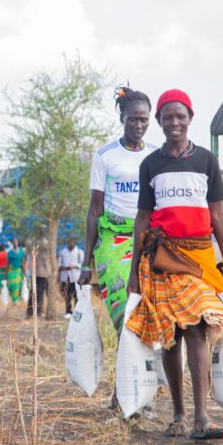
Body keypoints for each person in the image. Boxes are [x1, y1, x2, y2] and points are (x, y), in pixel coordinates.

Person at [126, 89, 223, 439]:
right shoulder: (150, 165)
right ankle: (179, 416)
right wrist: (133, 273)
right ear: (158, 122)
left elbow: (218, 214)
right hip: (162, 259)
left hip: (200, 259)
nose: (174, 122)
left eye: (180, 116)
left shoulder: (206, 160)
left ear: (190, 118)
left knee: (198, 327)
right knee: (171, 336)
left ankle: (202, 417)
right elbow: (142, 219)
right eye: (167, 117)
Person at [78, 86, 156, 334]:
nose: (138, 125)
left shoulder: (156, 156)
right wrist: (85, 262)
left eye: (144, 119)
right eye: (133, 119)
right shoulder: (105, 156)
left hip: (149, 237)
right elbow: (94, 210)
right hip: (114, 238)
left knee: (153, 303)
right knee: (125, 303)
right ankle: (129, 367)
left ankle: (151, 369)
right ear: (122, 118)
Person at [58, 239, 84, 318]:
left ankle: (76, 312)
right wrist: (63, 267)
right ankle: (68, 311)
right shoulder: (63, 252)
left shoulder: (79, 252)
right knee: (67, 295)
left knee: (76, 295)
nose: (70, 244)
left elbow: (83, 264)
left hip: (76, 277)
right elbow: (59, 263)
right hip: (66, 277)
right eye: (69, 243)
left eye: (72, 243)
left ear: (75, 243)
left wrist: (75, 266)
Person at [27, 238, 51, 317]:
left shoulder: (34, 251)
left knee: (33, 292)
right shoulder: (43, 253)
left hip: (34, 274)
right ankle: (37, 312)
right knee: (40, 294)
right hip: (42, 275)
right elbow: (47, 265)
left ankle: (30, 312)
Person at [6, 238, 27, 302]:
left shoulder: (21, 252)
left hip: (19, 271)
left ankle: (18, 300)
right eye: (14, 242)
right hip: (12, 272)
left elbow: (22, 263)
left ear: (18, 242)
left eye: (16, 241)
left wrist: (24, 273)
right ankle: (14, 301)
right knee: (12, 286)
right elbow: (8, 264)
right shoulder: (9, 253)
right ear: (12, 243)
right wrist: (6, 274)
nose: (15, 243)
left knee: (19, 286)